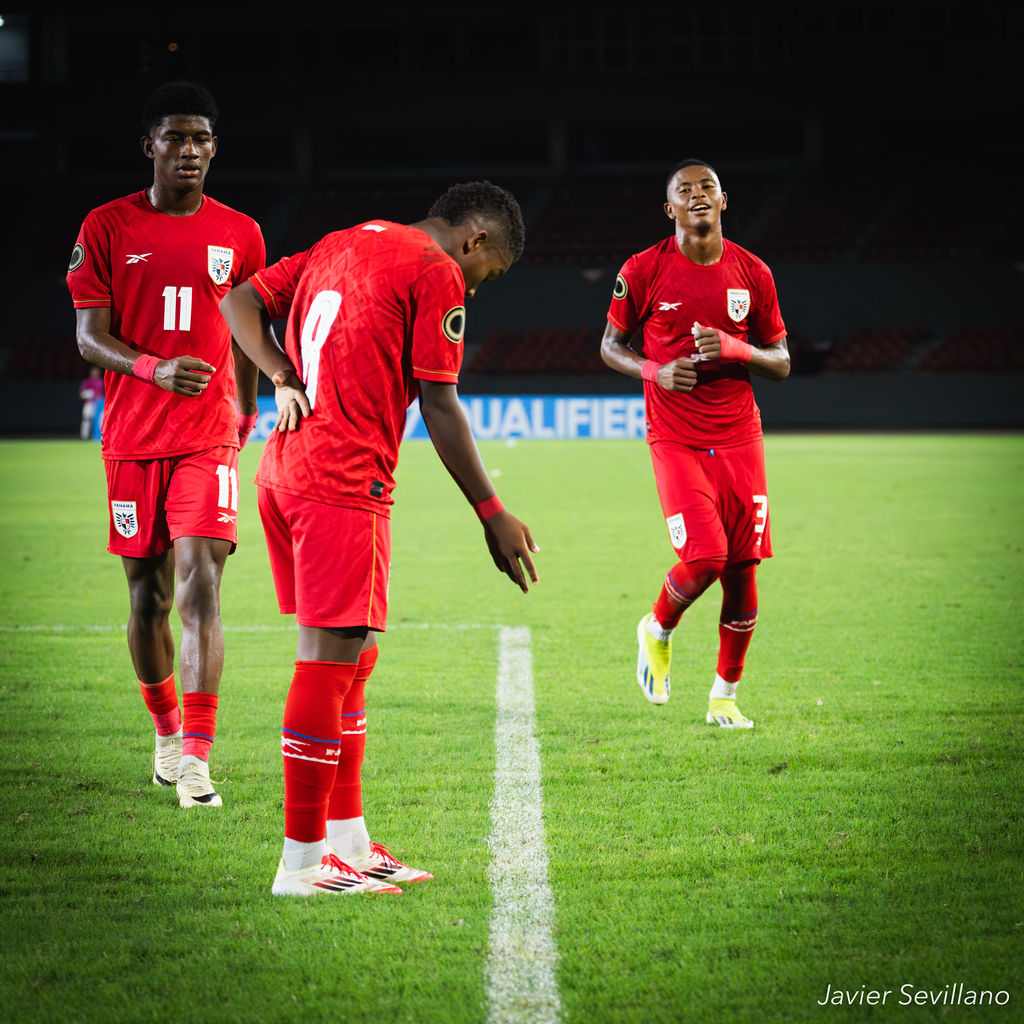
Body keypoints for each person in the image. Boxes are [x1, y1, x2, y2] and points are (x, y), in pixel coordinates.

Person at [220, 180, 539, 896]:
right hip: (339, 482)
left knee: (353, 656)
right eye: (487, 273)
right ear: (475, 239)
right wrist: (492, 512)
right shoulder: (434, 270)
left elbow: (239, 300)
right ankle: (302, 864)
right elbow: (440, 403)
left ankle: (348, 843)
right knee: (326, 661)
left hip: (287, 471)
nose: (475, 288)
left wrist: (279, 375)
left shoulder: (341, 240)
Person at [66, 81, 266, 807]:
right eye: (176, 137)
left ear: (215, 148)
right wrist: (152, 368)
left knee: (200, 585)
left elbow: (247, 328)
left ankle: (197, 762)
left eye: (202, 138)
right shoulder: (106, 226)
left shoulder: (241, 233)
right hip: (131, 438)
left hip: (207, 438)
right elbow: (88, 337)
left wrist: (248, 404)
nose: (190, 150)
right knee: (146, 599)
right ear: (149, 145)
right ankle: (166, 735)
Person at [601, 158, 789, 728]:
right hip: (676, 436)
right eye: (685, 190)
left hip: (739, 436)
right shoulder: (643, 269)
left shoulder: (753, 273)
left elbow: (781, 361)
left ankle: (724, 696)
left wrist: (736, 349)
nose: (698, 194)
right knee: (706, 557)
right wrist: (654, 370)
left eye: (708, 186)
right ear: (670, 209)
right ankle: (657, 628)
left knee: (743, 568)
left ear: (724, 200)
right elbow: (610, 345)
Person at [78, 365, 104, 439]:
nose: (94, 373)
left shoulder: (101, 381)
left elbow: (104, 392)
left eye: (96, 372)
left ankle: (98, 435)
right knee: (86, 419)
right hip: (89, 403)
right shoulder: (87, 381)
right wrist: (87, 394)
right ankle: (84, 436)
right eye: (93, 372)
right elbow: (81, 394)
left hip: (99, 404)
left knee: (99, 420)